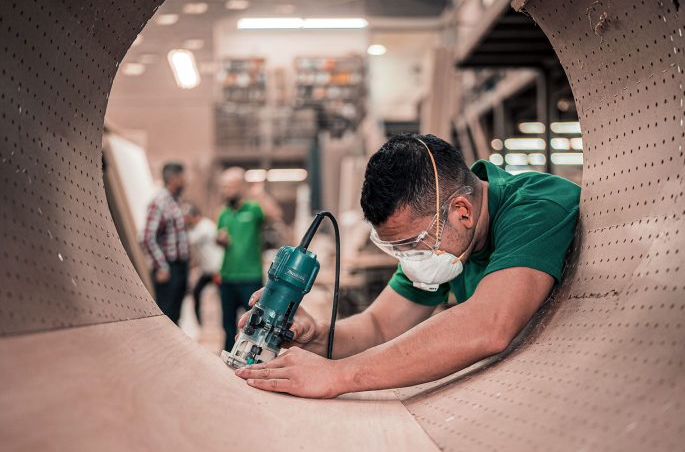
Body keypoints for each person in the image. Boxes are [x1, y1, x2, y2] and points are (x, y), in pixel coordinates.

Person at [235, 134, 581, 398]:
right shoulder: (445, 242)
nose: (410, 257)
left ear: (462, 211)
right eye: (396, 248)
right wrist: (315, 336)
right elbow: (379, 327)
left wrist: (340, 375)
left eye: (413, 244)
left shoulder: (536, 206)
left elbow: (488, 325)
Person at [216, 167, 266, 352]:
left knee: (254, 324)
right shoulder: (223, 213)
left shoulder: (253, 209)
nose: (225, 191)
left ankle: (252, 358)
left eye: (229, 187)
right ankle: (228, 359)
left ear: (241, 187)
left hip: (250, 277)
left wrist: (257, 192)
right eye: (223, 187)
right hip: (228, 277)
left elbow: (274, 214)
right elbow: (220, 239)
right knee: (228, 325)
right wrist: (220, 239)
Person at [142, 162, 189, 324]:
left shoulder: (175, 201)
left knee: (176, 316)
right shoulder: (159, 202)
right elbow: (147, 237)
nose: (185, 181)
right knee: (166, 314)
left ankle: (174, 349)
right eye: (183, 177)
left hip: (180, 266)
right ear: (173, 179)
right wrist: (161, 266)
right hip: (168, 268)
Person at [185, 204, 223, 325]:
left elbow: (190, 240)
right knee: (196, 293)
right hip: (207, 270)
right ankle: (200, 323)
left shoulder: (205, 226)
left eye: (188, 218)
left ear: (195, 216)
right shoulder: (197, 227)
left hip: (216, 269)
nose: (187, 221)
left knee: (224, 297)